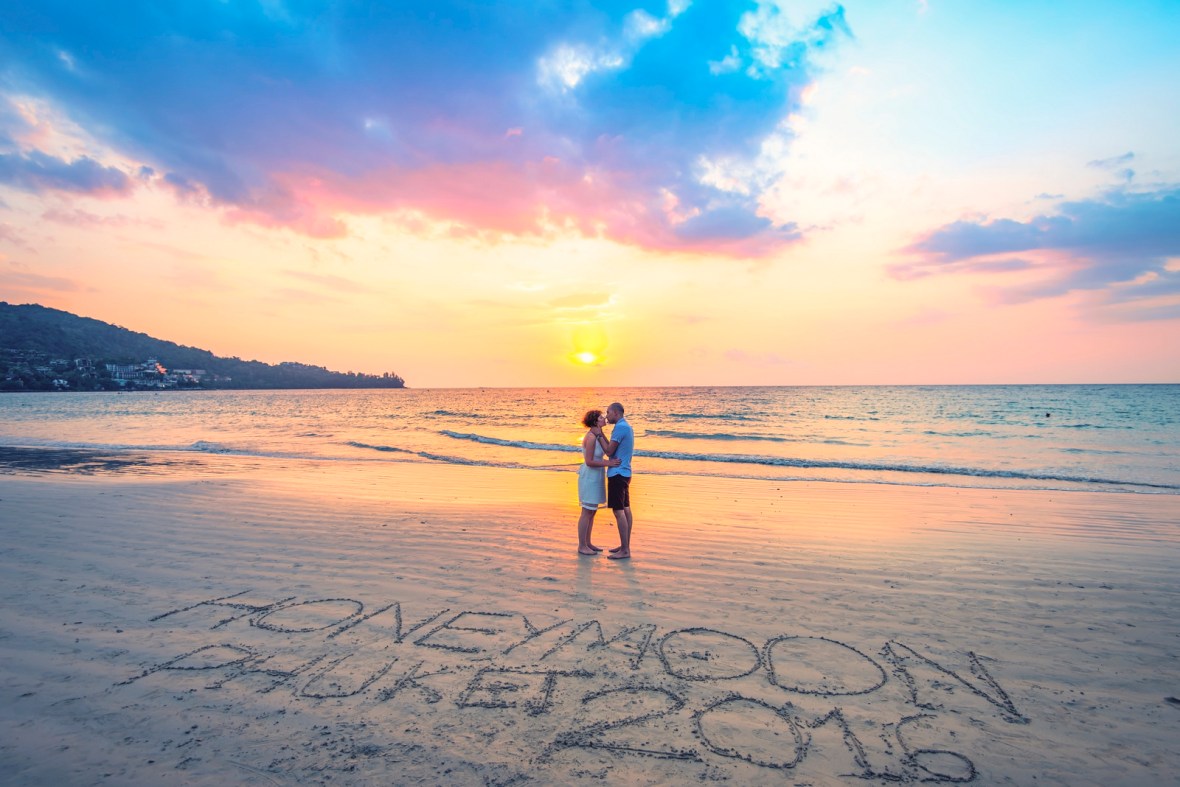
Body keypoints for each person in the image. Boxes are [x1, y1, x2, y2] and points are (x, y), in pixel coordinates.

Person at [593, 402, 634, 560]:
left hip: (617, 474)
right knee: (625, 509)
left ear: (616, 413)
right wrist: (601, 433)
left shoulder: (620, 428)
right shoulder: (625, 426)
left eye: (608, 412)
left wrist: (597, 435)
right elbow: (612, 446)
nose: (607, 415)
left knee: (619, 511)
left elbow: (609, 451)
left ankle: (625, 550)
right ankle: (625, 546)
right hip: (625, 472)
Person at [577, 409, 619, 555]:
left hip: (596, 476)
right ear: (595, 421)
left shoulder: (598, 434)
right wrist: (609, 463)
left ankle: (588, 543)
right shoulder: (591, 437)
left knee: (592, 512)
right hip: (589, 477)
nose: (604, 418)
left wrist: (609, 460)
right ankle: (582, 546)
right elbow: (589, 461)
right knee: (586, 512)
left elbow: (608, 450)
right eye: (601, 417)